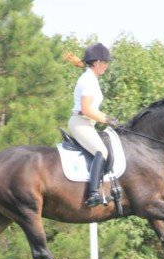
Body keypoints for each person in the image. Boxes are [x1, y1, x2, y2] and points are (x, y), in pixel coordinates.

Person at [64, 43, 119, 207]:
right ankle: (93, 193)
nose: (107, 66)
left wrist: (108, 118)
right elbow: (87, 109)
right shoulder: (88, 80)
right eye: (105, 62)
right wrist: (105, 119)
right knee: (101, 151)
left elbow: (93, 110)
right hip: (80, 122)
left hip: (86, 123)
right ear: (96, 62)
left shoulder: (91, 79)